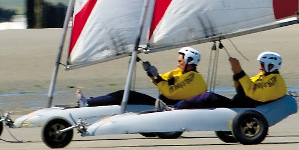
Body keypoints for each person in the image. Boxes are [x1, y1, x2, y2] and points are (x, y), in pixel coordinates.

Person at [77, 47, 209, 108]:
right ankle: (93, 102)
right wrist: (152, 73)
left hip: (170, 106)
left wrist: (156, 78)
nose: (178, 64)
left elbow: (170, 92)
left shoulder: (194, 78)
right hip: (165, 103)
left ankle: (88, 103)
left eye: (180, 62)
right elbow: (162, 79)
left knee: (124, 95)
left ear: (190, 62)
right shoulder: (180, 73)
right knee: (123, 95)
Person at [175, 51, 287, 109]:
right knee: (209, 97)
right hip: (240, 104)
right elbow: (243, 87)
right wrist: (236, 75)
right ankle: (179, 106)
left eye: (262, 64)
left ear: (271, 65)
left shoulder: (274, 81)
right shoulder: (265, 77)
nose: (260, 67)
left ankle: (177, 108)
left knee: (209, 97)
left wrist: (240, 72)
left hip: (245, 107)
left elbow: (253, 92)